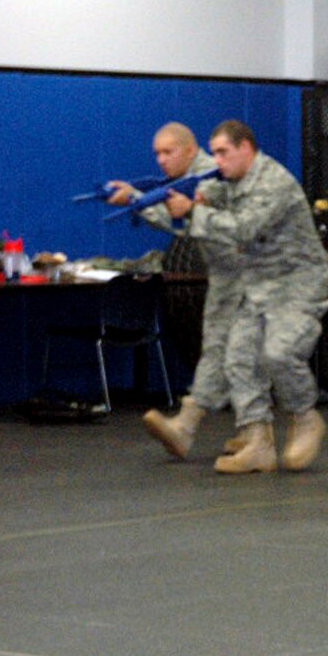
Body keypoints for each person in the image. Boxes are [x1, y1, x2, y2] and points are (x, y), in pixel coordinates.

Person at [190, 120, 328, 475]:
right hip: (259, 283)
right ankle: (257, 443)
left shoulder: (274, 182)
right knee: (238, 357)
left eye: (223, 152)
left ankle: (305, 417)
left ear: (246, 148)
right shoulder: (232, 183)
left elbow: (244, 228)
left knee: (279, 353)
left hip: (298, 282)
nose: (217, 161)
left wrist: (195, 212)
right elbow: (209, 204)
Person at [130, 124, 236, 459]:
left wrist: (144, 203)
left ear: (191, 150)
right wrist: (139, 200)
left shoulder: (213, 179)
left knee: (254, 356)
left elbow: (208, 226)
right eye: (156, 154)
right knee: (227, 352)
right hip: (226, 276)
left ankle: (281, 425)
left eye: (167, 152)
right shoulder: (189, 183)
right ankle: (244, 433)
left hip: (251, 274)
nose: (161, 160)